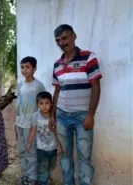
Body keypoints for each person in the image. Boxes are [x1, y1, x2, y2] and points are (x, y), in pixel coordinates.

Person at [49, 24, 102, 185]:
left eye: (64, 38)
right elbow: (57, 91)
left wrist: (90, 115)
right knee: (65, 155)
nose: (61, 43)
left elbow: (96, 86)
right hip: (62, 116)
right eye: (58, 40)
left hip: (82, 117)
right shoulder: (57, 65)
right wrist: (52, 115)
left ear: (74, 36)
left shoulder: (88, 57)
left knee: (84, 157)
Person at [16, 56, 46, 185]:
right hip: (20, 123)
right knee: (22, 149)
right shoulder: (20, 85)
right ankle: (26, 174)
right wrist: (16, 120)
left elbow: (44, 105)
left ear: (34, 68)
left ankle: (33, 177)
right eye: (22, 67)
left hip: (31, 125)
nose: (24, 70)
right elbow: (19, 104)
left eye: (27, 67)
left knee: (31, 150)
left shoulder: (38, 86)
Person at [26, 91, 62, 185]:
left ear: (51, 104)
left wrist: (59, 144)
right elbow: (33, 130)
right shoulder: (35, 116)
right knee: (42, 168)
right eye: (41, 103)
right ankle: (42, 181)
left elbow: (56, 131)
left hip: (53, 147)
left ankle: (45, 177)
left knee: (51, 166)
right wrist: (29, 143)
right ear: (37, 104)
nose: (44, 106)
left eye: (47, 103)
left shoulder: (54, 117)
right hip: (41, 148)